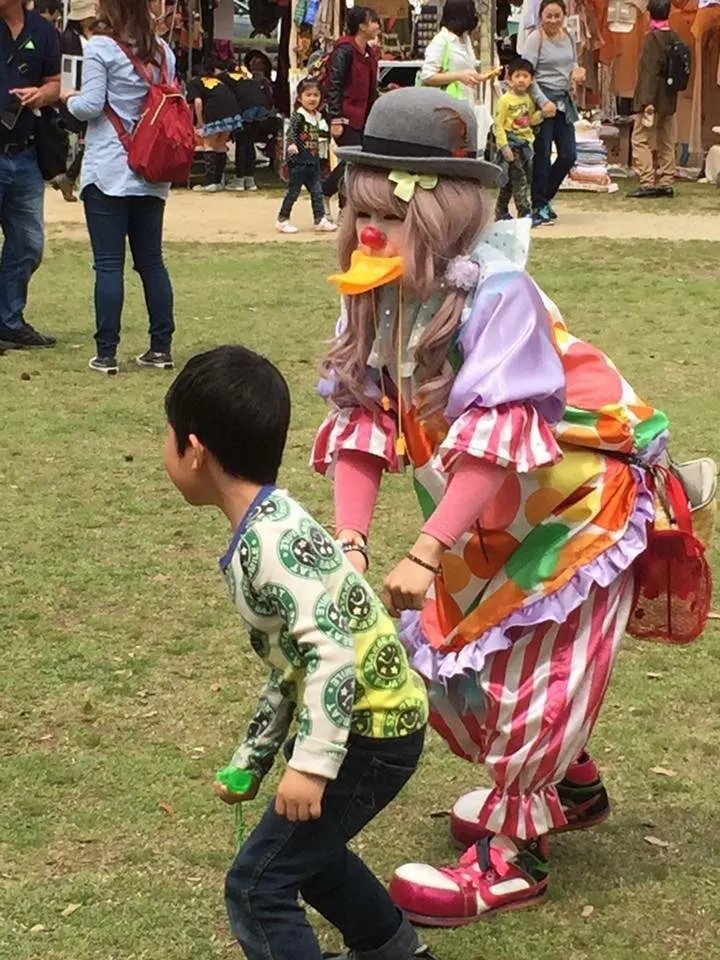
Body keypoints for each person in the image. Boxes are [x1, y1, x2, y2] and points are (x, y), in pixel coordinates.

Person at [311, 86, 700, 925]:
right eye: (360, 210)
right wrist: (350, 541)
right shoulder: (379, 293)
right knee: (466, 663)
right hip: (490, 519)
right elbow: (364, 415)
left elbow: (497, 437)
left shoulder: (499, 296)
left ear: (442, 216)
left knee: (528, 672)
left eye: (390, 214)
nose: (368, 231)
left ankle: (513, 856)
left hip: (575, 509)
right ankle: (572, 786)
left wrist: (425, 549)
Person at [163, 345, 434, 960]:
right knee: (307, 857)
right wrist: (254, 757)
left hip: (374, 731)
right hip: (368, 722)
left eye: (168, 435)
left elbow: (332, 654)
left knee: (257, 886)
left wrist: (311, 765)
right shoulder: (270, 521)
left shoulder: (270, 544)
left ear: (194, 450)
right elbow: (296, 664)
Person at [62, 0, 176, 375]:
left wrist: (69, 98)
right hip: (152, 167)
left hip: (109, 165)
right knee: (152, 262)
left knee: (109, 264)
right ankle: (161, 347)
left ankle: (107, 352)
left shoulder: (101, 47)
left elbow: (91, 106)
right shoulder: (163, 51)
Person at [0, 0, 60, 349]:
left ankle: (9, 320)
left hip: (24, 154)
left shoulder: (43, 31)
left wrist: (41, 95)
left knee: (28, 244)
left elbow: (55, 83)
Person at [524, 0, 584, 226]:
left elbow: (573, 62)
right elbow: (527, 74)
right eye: (548, 16)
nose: (553, 20)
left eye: (557, 15)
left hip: (563, 101)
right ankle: (539, 205)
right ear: (540, 16)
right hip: (543, 101)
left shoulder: (568, 36)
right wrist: (542, 101)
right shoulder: (535, 39)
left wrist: (577, 74)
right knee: (542, 154)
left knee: (569, 154)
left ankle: (543, 198)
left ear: (564, 15)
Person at [322, 6, 380, 210]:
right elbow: (334, 85)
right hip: (345, 114)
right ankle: (325, 191)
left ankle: (345, 208)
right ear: (362, 26)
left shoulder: (369, 53)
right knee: (353, 160)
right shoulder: (344, 51)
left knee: (359, 162)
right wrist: (335, 118)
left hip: (363, 116)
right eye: (373, 21)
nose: (377, 26)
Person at [629, 0, 678, 199]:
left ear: (649, 15)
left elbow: (649, 73)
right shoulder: (674, 36)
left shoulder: (652, 39)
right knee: (667, 139)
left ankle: (647, 181)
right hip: (669, 98)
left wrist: (646, 102)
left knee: (640, 139)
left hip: (652, 98)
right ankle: (667, 181)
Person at [277, 78, 337, 235]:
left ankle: (320, 219)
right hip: (299, 162)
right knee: (293, 192)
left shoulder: (318, 117)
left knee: (317, 192)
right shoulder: (299, 116)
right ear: (299, 97)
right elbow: (291, 132)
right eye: (308, 95)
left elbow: (322, 136)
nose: (312, 99)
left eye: (316, 95)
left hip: (313, 162)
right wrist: (292, 144)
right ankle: (282, 219)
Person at [52, 0, 96, 203]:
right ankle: (70, 176)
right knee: (91, 136)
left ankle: (70, 176)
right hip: (75, 92)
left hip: (90, 90)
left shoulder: (95, 35)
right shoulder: (68, 39)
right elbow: (67, 67)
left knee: (92, 137)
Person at [187, 57, 244, 193]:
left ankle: (211, 182)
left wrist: (200, 122)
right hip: (233, 111)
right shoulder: (218, 81)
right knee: (220, 145)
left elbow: (198, 102)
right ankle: (218, 182)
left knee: (209, 145)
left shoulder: (195, 82)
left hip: (215, 111)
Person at [494, 57, 542, 220]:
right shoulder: (505, 100)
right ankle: (524, 213)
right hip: (511, 144)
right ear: (509, 78)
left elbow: (530, 120)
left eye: (525, 76)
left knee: (510, 181)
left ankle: (501, 211)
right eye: (517, 76)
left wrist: (542, 114)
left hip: (525, 144)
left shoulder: (528, 99)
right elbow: (498, 125)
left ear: (532, 79)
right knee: (520, 180)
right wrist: (504, 147)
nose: (521, 80)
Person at [418, 0, 483, 101]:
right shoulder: (441, 40)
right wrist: (459, 76)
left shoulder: (465, 38)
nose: (475, 16)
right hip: (447, 102)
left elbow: (467, 68)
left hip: (466, 100)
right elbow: (427, 76)